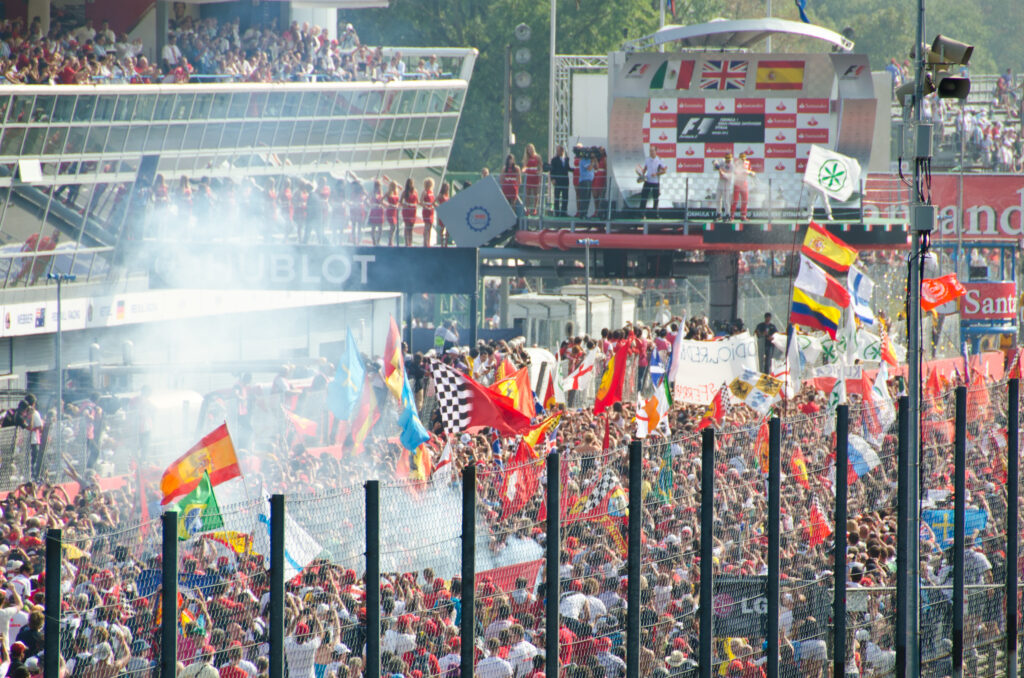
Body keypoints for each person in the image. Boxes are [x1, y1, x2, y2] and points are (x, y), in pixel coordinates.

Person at [638, 146, 666, 217]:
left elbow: (664, 171)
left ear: (656, 151)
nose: (651, 152)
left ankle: (655, 214)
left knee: (655, 198)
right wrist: (641, 174)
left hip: (655, 181)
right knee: (644, 196)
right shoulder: (647, 159)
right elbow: (645, 169)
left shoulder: (659, 160)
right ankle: (641, 213)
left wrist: (656, 174)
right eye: (650, 151)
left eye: (652, 151)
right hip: (648, 180)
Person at [730, 152, 753, 221]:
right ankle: (732, 216)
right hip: (737, 182)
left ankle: (743, 216)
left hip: (744, 183)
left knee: (745, 200)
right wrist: (742, 171)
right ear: (739, 158)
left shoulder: (747, 163)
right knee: (735, 200)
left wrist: (750, 173)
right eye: (741, 159)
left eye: (743, 159)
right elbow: (734, 172)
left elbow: (749, 171)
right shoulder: (736, 163)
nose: (742, 160)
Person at [549, 145, 570, 217]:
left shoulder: (567, 159)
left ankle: (564, 212)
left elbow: (568, 168)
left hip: (565, 180)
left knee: (565, 197)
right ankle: (557, 212)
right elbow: (552, 170)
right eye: (557, 151)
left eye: (559, 150)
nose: (558, 152)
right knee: (557, 197)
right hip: (557, 180)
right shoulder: (554, 160)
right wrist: (552, 179)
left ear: (562, 151)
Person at [522, 143, 542, 215]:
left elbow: (541, 166)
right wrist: (523, 170)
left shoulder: (537, 157)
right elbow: (524, 166)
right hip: (529, 176)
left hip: (535, 176)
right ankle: (527, 208)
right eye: (528, 149)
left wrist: (539, 172)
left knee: (535, 193)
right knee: (528, 193)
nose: (530, 150)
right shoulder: (526, 158)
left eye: (531, 149)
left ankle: (534, 208)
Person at [576, 146, 594, 218]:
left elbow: (596, 167)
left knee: (588, 198)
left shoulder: (589, 160)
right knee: (584, 197)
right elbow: (589, 168)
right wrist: (592, 162)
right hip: (584, 181)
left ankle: (585, 213)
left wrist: (594, 159)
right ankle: (582, 214)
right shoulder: (583, 161)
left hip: (589, 180)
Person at [400, 178, 418, 247]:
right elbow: (400, 201)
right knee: (407, 226)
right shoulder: (405, 192)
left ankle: (410, 242)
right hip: (407, 210)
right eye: (410, 183)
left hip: (413, 210)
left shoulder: (415, 191)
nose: (411, 185)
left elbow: (417, 201)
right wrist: (405, 205)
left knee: (411, 227)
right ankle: (406, 242)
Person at [715, 153, 734, 219]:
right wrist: (716, 164)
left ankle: (727, 214)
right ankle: (718, 214)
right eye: (727, 159)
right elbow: (715, 161)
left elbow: (726, 176)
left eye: (729, 159)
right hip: (720, 182)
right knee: (717, 199)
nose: (727, 161)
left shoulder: (732, 165)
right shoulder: (723, 161)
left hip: (726, 183)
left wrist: (720, 170)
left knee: (726, 200)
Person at [421, 178, 436, 247]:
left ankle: (428, 242)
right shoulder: (424, 192)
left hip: (431, 210)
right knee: (426, 226)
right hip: (426, 210)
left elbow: (433, 202)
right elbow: (421, 201)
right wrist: (425, 206)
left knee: (430, 227)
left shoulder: (431, 192)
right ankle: (425, 242)